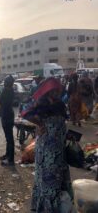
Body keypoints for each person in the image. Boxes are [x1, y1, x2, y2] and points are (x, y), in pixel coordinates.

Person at [22, 78, 73, 212]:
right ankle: (46, 208)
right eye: (54, 90)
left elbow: (63, 121)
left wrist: (67, 135)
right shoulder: (40, 105)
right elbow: (24, 112)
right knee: (46, 178)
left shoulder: (60, 104)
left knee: (57, 178)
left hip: (59, 148)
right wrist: (39, 123)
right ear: (48, 91)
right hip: (46, 150)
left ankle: (57, 206)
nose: (57, 93)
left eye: (58, 90)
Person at [0, 75, 15, 166]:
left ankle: (10, 159)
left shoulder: (7, 91)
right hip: (8, 115)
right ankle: (7, 155)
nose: (4, 83)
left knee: (9, 138)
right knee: (8, 138)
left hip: (7, 116)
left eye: (5, 81)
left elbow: (1, 102)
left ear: (7, 83)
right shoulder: (10, 90)